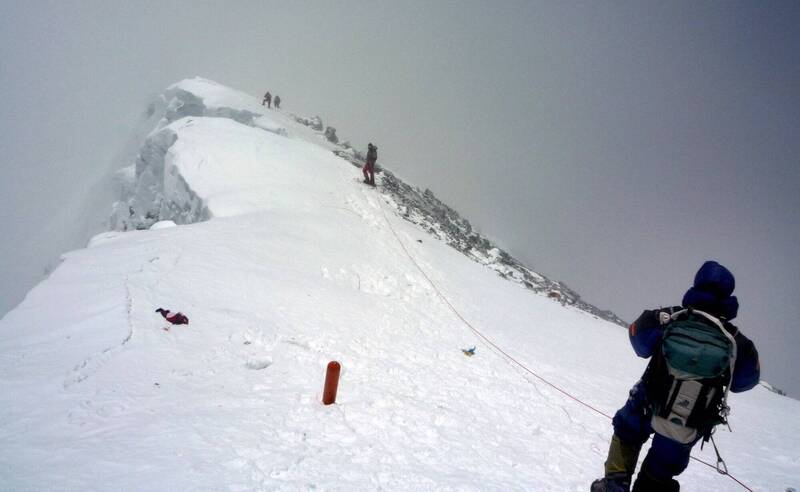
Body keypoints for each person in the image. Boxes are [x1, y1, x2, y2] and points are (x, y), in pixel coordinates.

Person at [591, 261, 760, 492]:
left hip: (646, 402)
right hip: (690, 419)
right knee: (661, 468)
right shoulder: (737, 341)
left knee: (627, 434)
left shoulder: (670, 317)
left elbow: (639, 343)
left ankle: (614, 486)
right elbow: (745, 381)